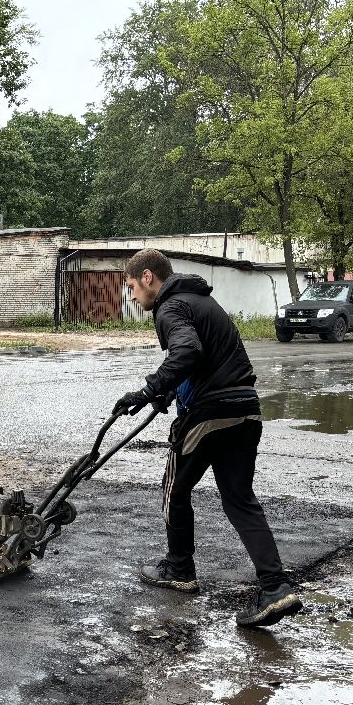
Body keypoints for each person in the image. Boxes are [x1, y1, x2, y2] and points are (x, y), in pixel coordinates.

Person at [113, 249, 301, 629]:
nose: (132, 297)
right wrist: (169, 392)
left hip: (211, 414)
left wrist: (148, 391)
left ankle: (179, 568)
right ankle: (275, 587)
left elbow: (188, 351)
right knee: (239, 499)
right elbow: (204, 360)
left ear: (148, 277)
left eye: (132, 287)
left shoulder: (170, 308)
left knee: (174, 488)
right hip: (245, 409)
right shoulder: (200, 301)